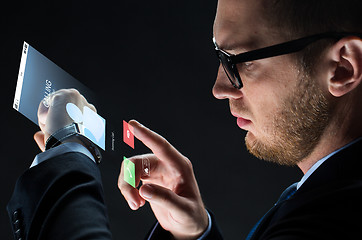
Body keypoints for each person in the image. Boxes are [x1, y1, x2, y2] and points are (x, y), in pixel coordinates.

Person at [7, 0, 362, 239]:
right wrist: (192, 234)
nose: (219, 88)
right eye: (219, 56)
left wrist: (67, 154)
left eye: (239, 60)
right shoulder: (325, 191)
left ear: (343, 66)